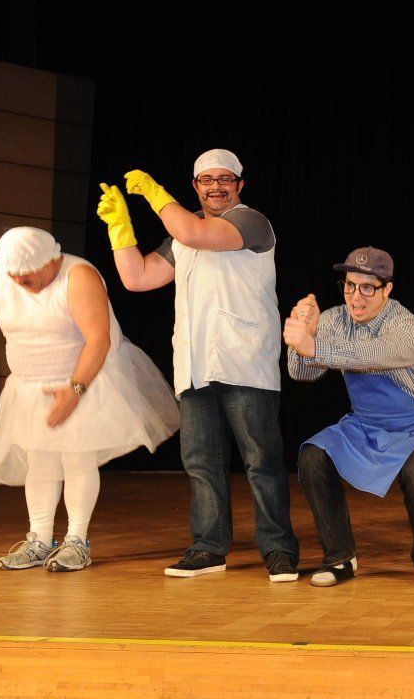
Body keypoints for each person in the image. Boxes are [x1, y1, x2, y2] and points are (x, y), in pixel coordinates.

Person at [96, 148, 300, 581]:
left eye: (225, 179)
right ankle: (208, 548)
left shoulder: (251, 221)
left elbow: (193, 232)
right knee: (201, 461)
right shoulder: (183, 232)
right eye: (207, 180)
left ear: (240, 185)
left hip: (244, 360)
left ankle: (279, 548)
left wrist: (154, 193)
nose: (216, 187)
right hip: (194, 362)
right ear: (195, 186)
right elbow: (138, 277)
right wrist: (120, 229)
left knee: (261, 460)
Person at [0, 227, 177, 572]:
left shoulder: (78, 275)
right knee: (39, 460)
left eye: (29, 274)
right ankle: (40, 539)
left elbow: (99, 340)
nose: (20, 282)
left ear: (51, 260)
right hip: (31, 384)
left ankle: (77, 541)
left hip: (84, 378)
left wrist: (75, 390)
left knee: (77, 459)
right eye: (15, 276)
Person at [284, 247, 414, 588]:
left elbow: (376, 354)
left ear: (387, 289)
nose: (356, 297)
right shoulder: (333, 320)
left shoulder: (407, 325)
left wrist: (314, 346)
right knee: (313, 456)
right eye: (350, 286)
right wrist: (305, 334)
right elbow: (301, 373)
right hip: (365, 424)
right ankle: (340, 558)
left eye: (367, 288)